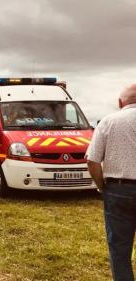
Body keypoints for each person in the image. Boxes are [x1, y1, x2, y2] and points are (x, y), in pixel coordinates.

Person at [86, 84, 136, 281]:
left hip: (118, 189)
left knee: (119, 248)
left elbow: (92, 160)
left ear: (120, 102)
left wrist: (101, 186)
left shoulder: (109, 121)